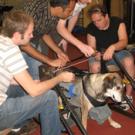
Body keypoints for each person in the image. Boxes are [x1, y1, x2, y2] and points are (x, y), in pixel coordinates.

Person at [0, 10, 75, 135]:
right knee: (49, 97)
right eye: (29, 33)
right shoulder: (11, 50)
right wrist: (60, 77)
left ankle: (16, 126)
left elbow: (9, 78)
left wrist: (32, 83)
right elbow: (34, 91)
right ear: (18, 35)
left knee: (25, 89)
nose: (32, 36)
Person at [21, 0, 94, 79]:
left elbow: (44, 33)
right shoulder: (34, 13)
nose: (71, 14)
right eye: (69, 11)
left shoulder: (55, 13)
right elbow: (24, 46)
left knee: (36, 76)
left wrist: (58, 51)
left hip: (32, 40)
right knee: (24, 78)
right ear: (59, 8)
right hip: (17, 45)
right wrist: (49, 61)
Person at [86, 4, 135, 110]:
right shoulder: (91, 28)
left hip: (118, 52)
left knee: (129, 61)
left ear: (106, 16)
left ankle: (128, 95)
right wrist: (95, 54)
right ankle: (97, 96)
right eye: (94, 21)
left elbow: (124, 41)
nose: (96, 24)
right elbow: (92, 48)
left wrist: (112, 47)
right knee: (94, 66)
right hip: (100, 55)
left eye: (99, 20)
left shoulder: (118, 22)